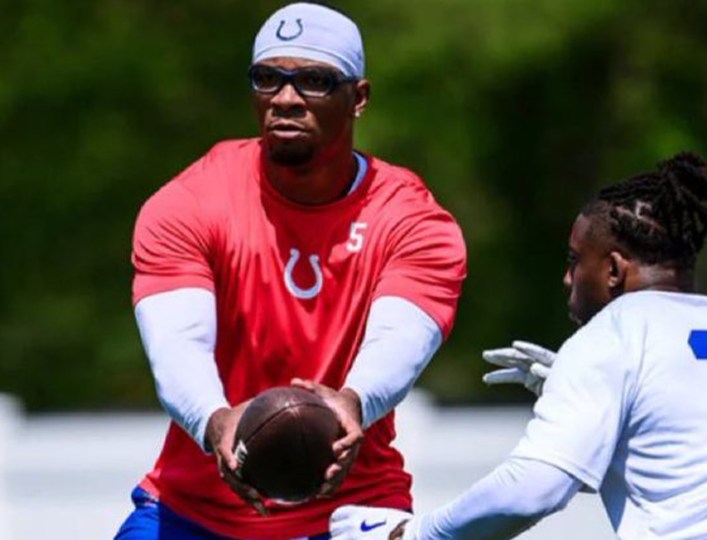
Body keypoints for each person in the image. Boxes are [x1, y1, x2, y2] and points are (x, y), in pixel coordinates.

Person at [330, 152, 707, 539]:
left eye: (573, 261)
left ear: (612, 269)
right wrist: (602, 411)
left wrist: (414, 534)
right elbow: (690, 461)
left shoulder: (611, 334)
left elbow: (532, 490)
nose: (567, 280)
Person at [115, 3, 467, 539]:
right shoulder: (187, 203)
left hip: (351, 511)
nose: (285, 98)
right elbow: (177, 348)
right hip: (193, 512)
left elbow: (400, 341)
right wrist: (217, 422)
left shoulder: (413, 221)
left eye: (314, 81)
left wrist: (352, 403)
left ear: (360, 98)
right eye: (267, 79)